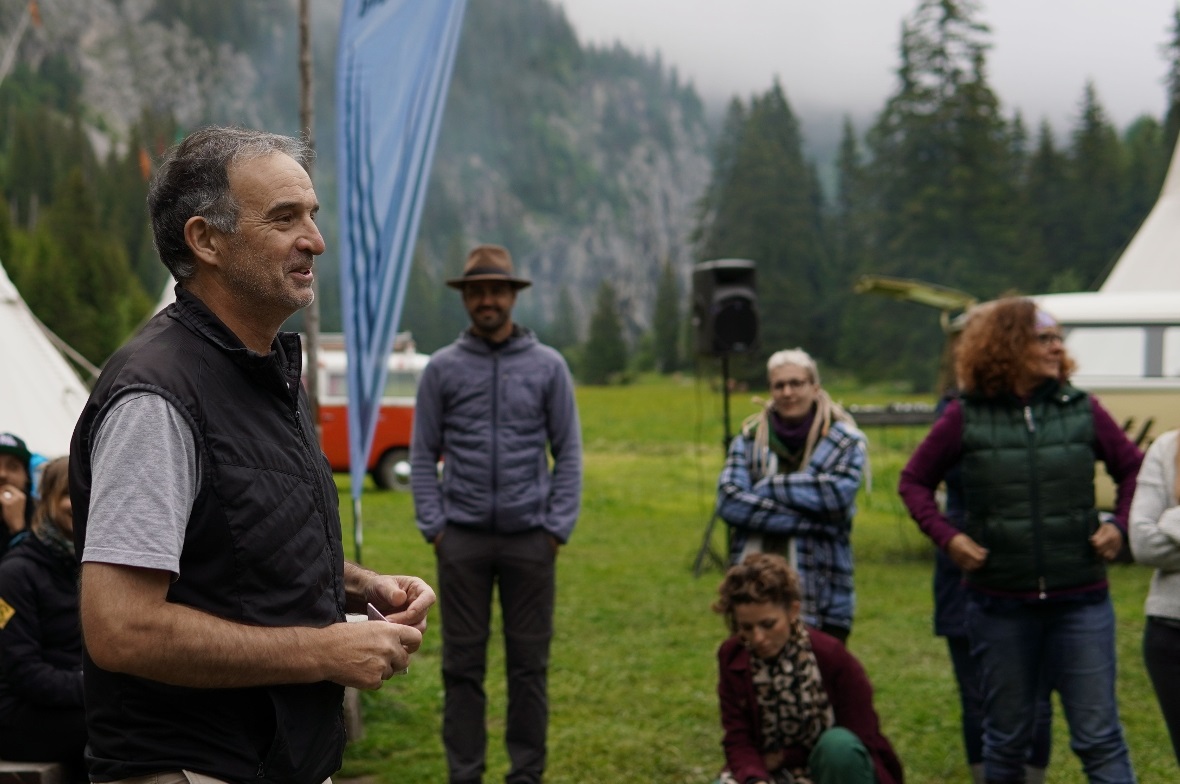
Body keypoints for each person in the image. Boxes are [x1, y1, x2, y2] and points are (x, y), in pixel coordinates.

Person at [69, 126, 436, 784]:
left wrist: (360, 585)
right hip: (193, 766)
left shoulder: (264, 371)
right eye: (285, 218)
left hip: (273, 760)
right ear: (206, 240)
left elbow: (238, 537)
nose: (315, 242)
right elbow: (121, 628)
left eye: (313, 217)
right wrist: (325, 651)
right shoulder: (158, 397)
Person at [899, 296, 1142, 784]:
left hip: (1081, 602)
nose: (1057, 347)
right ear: (1009, 345)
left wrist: (1119, 524)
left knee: (1099, 739)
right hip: (999, 606)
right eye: (1044, 338)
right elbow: (914, 481)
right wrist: (948, 538)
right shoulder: (965, 415)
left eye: (1058, 338)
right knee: (1007, 740)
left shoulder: (1082, 409)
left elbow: (1134, 468)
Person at [410, 243, 582, 784]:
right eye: (478, 291)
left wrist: (556, 529)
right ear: (467, 299)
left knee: (529, 668)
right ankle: (466, 774)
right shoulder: (441, 369)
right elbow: (421, 452)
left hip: (532, 540)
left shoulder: (549, 367)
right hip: (460, 541)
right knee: (462, 668)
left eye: (497, 290)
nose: (488, 299)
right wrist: (435, 527)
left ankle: (526, 774)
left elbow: (569, 451)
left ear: (512, 296)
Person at [929, 313, 1051, 784]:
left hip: (1033, 571)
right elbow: (925, 481)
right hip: (968, 568)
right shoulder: (954, 412)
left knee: (1036, 686)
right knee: (977, 688)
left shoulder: (1043, 408)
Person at [715, 348, 867, 642]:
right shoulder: (749, 439)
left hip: (824, 590)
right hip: (755, 593)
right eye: (779, 385)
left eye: (796, 383)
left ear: (814, 386)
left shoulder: (845, 440)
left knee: (821, 681)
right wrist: (815, 521)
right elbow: (730, 502)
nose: (787, 392)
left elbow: (836, 495)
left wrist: (768, 487)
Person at [712, 552, 903, 784]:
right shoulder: (732, 657)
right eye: (747, 627)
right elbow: (738, 738)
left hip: (830, 769)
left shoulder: (831, 656)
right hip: (764, 769)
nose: (758, 638)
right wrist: (755, 780)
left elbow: (861, 739)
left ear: (792, 611)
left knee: (838, 745)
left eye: (768, 624)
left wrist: (785, 757)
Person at [0, 457, 86, 781]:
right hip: (20, 719)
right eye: (70, 494)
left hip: (79, 704)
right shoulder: (15, 573)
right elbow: (25, 674)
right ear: (47, 499)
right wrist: (98, 689)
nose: (81, 503)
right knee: (114, 729)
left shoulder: (91, 566)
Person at [1128, 427, 1180, 766]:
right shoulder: (1167, 447)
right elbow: (1142, 542)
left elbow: (1156, 531)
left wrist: (1171, 520)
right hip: (1171, 631)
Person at [0, 432, 35, 556]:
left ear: (27, 476)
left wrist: (19, 529)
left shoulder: (45, 519)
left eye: (13, 466)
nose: (2, 474)